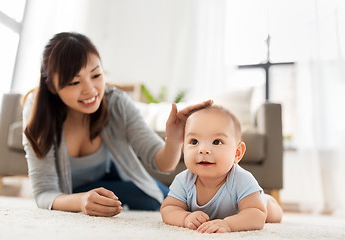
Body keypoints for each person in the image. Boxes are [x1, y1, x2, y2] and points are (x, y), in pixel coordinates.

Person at [22, 32, 212, 217]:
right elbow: (44, 193)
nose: (90, 90)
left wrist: (174, 138)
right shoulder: (37, 113)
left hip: (111, 178)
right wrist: (80, 201)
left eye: (96, 75)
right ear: (52, 87)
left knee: (170, 201)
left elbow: (162, 162)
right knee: (153, 202)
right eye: (74, 82)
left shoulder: (116, 102)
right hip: (71, 191)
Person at [160, 105, 283, 233]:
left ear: (237, 153)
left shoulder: (242, 179)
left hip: (256, 202)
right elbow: (168, 208)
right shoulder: (183, 180)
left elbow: (257, 215)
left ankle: (268, 200)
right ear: (184, 148)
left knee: (273, 214)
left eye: (217, 142)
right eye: (194, 141)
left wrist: (228, 224)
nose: (203, 150)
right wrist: (185, 217)